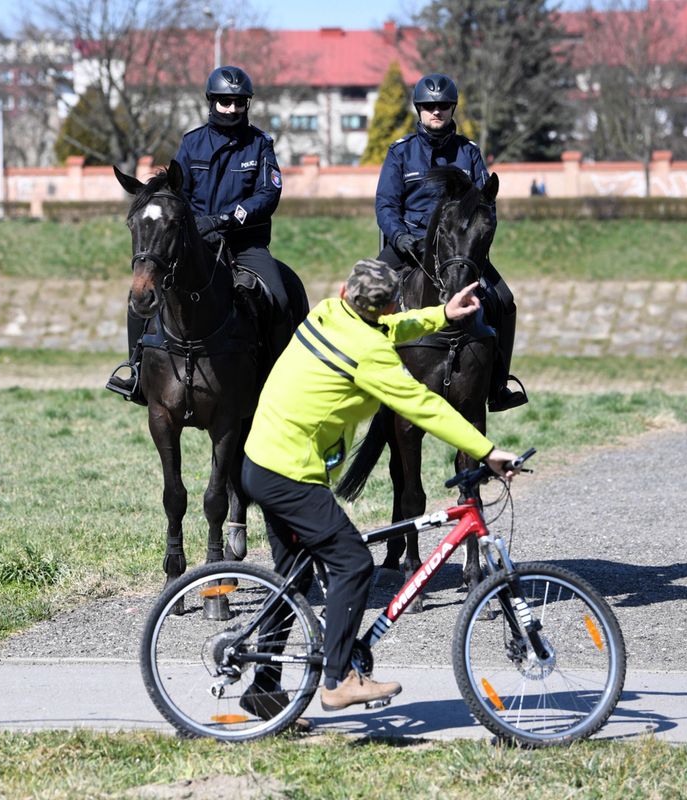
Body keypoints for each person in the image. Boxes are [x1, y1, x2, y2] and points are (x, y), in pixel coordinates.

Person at [239, 259, 522, 716]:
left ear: (345, 292)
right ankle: (337, 680)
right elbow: (423, 405)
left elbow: (391, 326)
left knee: (296, 577)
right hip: (288, 474)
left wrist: (442, 315)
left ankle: (263, 688)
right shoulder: (369, 354)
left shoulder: (330, 311)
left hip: (262, 461)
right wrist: (485, 450)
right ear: (388, 302)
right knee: (352, 563)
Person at [107, 65, 287, 404]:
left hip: (244, 242)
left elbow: (268, 194)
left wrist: (224, 220)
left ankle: (279, 379)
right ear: (211, 102)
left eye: (238, 102)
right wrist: (191, 223)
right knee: (139, 300)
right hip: (198, 243)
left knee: (278, 295)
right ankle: (135, 372)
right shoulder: (191, 143)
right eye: (224, 102)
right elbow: (178, 192)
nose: (232, 109)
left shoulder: (260, 144)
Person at [374, 72, 527, 413]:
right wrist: (400, 237)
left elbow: (487, 208)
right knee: (365, 297)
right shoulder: (400, 152)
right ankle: (359, 379)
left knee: (503, 299)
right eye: (429, 106)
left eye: (443, 105)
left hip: (459, 251)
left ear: (452, 108)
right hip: (409, 246)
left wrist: (473, 247)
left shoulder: (469, 153)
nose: (436, 112)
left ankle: (498, 386)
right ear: (419, 109)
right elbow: (385, 205)